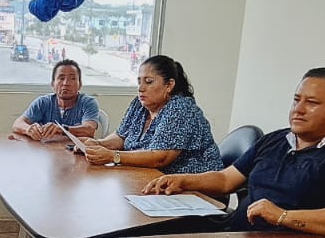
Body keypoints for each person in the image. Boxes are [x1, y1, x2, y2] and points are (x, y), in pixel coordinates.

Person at [142, 67, 325, 234]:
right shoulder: (275, 140)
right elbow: (226, 180)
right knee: (148, 237)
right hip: (234, 235)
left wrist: (283, 216)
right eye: (296, 100)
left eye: (312, 103)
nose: (299, 109)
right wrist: (183, 180)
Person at [82, 55, 222, 174]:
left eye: (148, 82)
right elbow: (121, 136)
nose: (141, 88)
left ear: (169, 85)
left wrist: (113, 156)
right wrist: (97, 144)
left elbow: (160, 157)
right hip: (151, 178)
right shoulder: (139, 104)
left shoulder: (181, 109)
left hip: (193, 186)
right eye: (139, 82)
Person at [12, 59, 99, 142]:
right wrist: (28, 129)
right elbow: (17, 124)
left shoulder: (88, 103)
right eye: (61, 78)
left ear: (80, 85)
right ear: (53, 84)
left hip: (77, 151)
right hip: (47, 150)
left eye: (72, 78)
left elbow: (89, 130)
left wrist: (62, 129)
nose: (66, 83)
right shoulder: (43, 102)